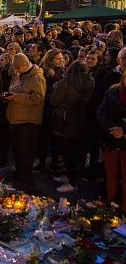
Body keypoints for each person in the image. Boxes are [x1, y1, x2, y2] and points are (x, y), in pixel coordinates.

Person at [50, 60, 94, 193]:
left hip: (65, 118)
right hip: (80, 118)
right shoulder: (90, 81)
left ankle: (72, 182)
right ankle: (71, 176)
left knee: (67, 151)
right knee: (75, 150)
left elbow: (54, 100)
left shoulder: (66, 82)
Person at [4, 53, 46, 191]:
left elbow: (38, 98)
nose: (16, 71)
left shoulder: (37, 77)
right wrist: (8, 96)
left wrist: (16, 97)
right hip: (15, 118)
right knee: (16, 150)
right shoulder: (18, 75)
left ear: (24, 65)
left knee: (26, 152)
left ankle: (27, 180)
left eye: (17, 68)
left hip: (28, 120)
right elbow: (14, 90)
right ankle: (18, 174)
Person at [97, 71, 126, 213]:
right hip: (111, 140)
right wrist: (112, 128)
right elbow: (101, 112)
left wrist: (123, 132)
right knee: (111, 175)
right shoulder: (113, 92)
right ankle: (110, 203)